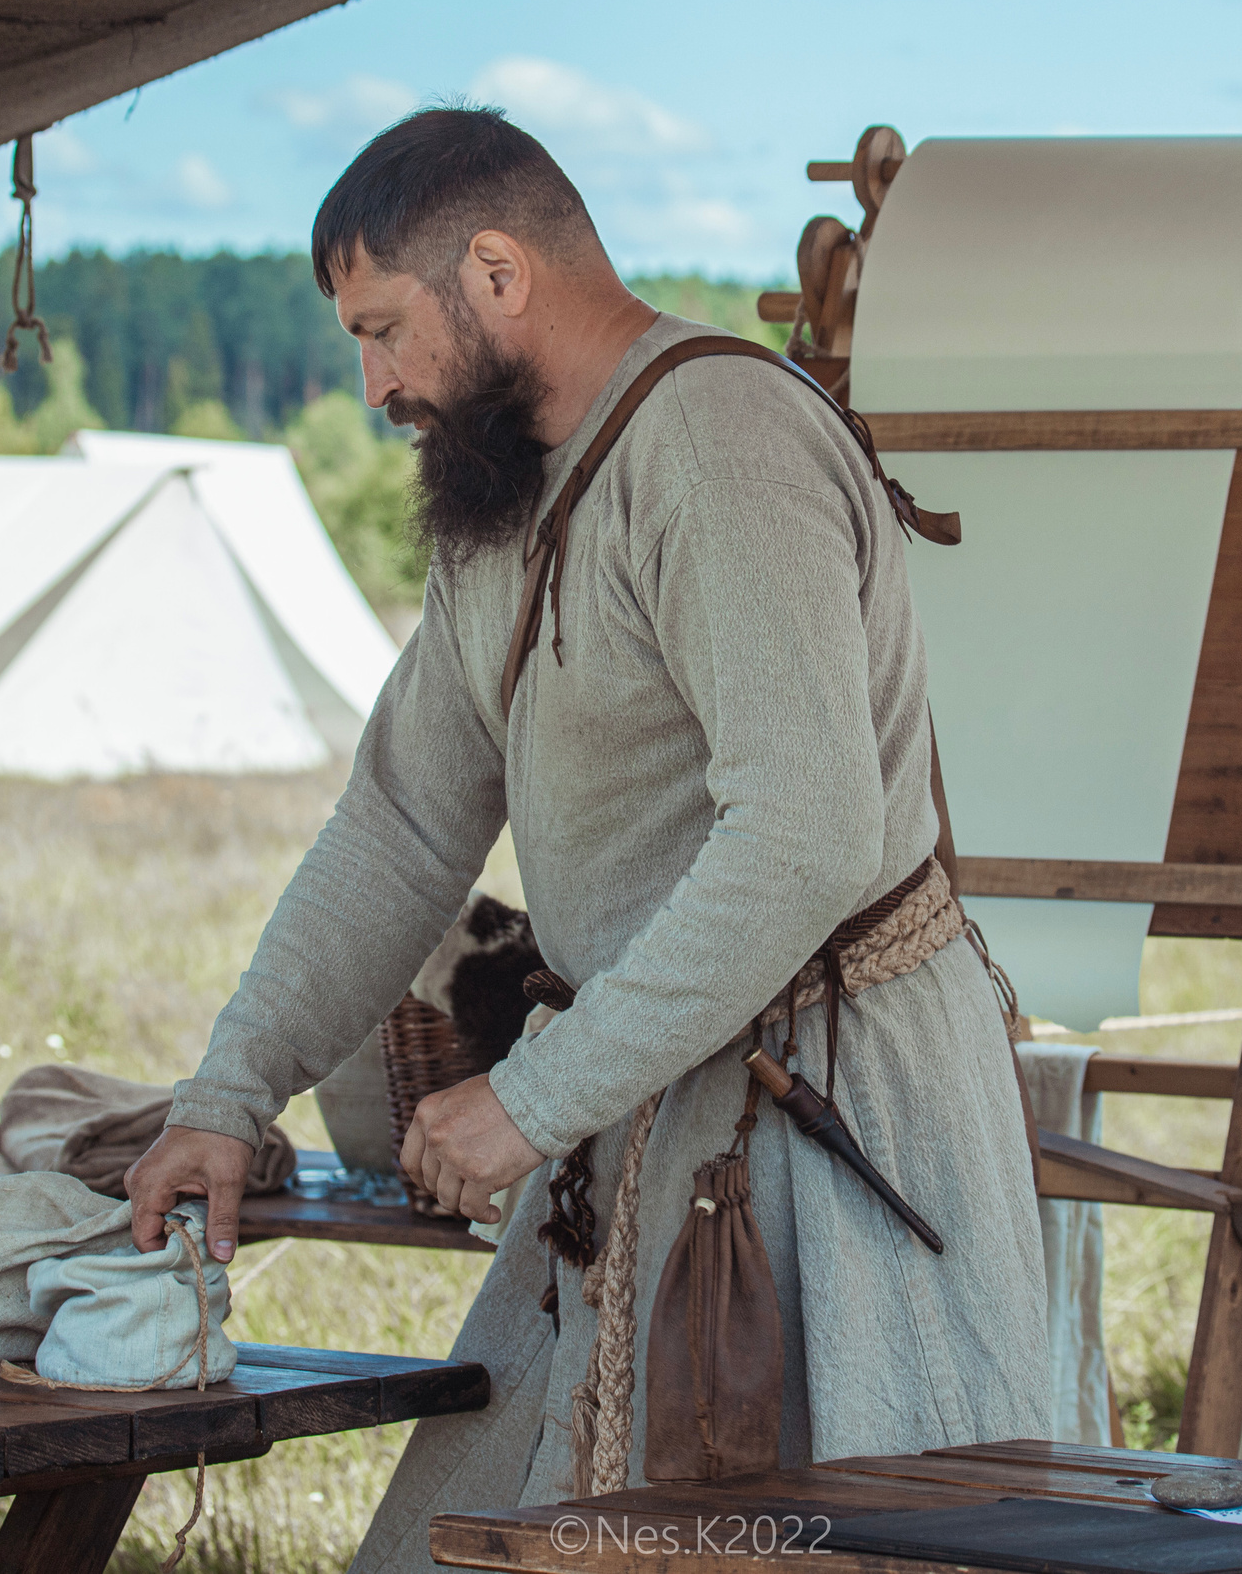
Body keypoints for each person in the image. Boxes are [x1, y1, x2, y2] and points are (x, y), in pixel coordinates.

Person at [125, 107, 1046, 1571]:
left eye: (384, 330)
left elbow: (807, 836)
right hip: (643, 1106)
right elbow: (403, 824)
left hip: (835, 1111)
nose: (371, 383)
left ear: (497, 273)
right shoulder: (502, 491)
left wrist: (539, 1091)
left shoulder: (722, 443)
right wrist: (230, 1093)